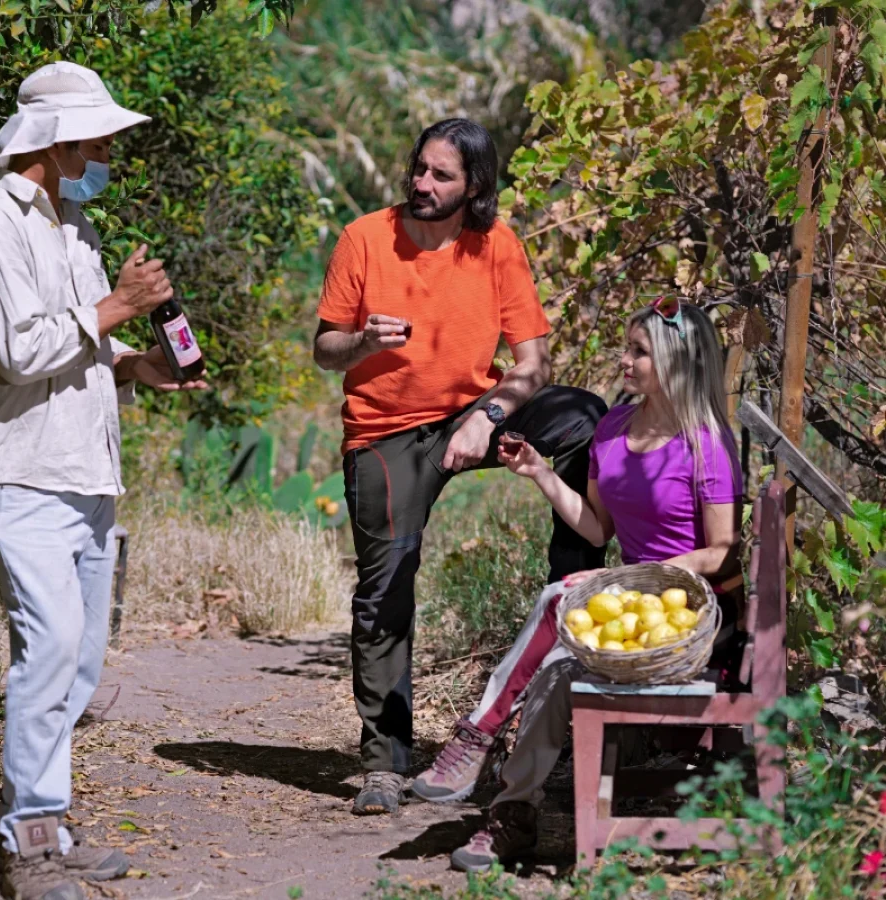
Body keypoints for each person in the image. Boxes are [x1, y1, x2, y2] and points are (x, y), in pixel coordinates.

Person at [0, 62, 206, 900]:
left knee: (76, 659)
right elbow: (19, 352)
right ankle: (29, 844)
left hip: (88, 468)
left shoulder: (71, 225)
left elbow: (87, 341)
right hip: (27, 465)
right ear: (51, 143)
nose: (108, 154)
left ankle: (47, 817)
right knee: (48, 647)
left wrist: (146, 367)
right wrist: (121, 305)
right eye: (97, 141)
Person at [312, 117, 609, 816]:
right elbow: (325, 349)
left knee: (586, 419)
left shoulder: (495, 245)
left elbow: (533, 364)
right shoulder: (364, 238)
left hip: (477, 409)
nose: (422, 183)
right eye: (419, 169)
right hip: (386, 429)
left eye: (440, 175)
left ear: (473, 186)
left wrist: (488, 415)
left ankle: (565, 593)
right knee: (386, 585)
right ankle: (385, 762)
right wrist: (360, 342)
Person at [419, 299, 745, 872]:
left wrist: (632, 578)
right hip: (634, 616)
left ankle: (475, 738)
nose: (624, 361)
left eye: (638, 352)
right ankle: (511, 818)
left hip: (692, 620)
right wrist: (541, 471)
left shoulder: (707, 443)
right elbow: (597, 526)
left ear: (677, 360)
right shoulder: (614, 429)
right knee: (550, 675)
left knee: (554, 598)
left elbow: (722, 551)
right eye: (628, 347)